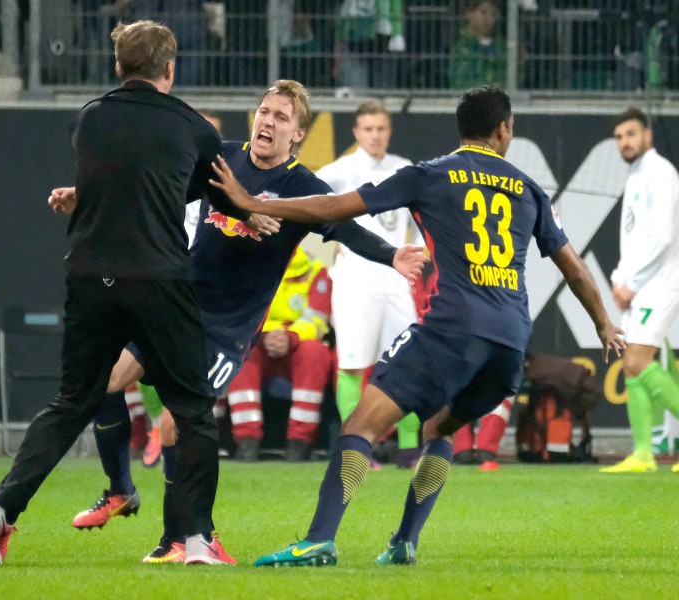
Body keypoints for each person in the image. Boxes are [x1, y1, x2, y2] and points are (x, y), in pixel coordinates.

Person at [210, 85, 625, 567]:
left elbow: (332, 208)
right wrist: (603, 325)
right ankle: (405, 541)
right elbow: (574, 267)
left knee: (361, 424)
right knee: (440, 426)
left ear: (461, 127)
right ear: (503, 130)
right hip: (511, 343)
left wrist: (255, 203)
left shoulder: (428, 175)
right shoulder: (528, 188)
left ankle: (319, 538)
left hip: (451, 329)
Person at [54, 79, 428, 563]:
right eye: (264, 111)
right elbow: (153, 186)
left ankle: (183, 538)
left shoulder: (303, 187)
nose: (267, 121)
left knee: (175, 422)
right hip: (178, 306)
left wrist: (391, 254)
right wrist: (84, 196)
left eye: (281, 117)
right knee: (103, 384)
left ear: (297, 134)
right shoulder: (223, 158)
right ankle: (122, 490)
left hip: (226, 329)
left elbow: (344, 228)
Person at [0, 19, 253, 567]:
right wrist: (253, 215)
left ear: (118, 66)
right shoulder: (195, 129)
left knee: (71, 402)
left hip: (90, 278)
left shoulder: (88, 119)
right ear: (170, 70)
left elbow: (120, 178)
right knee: (192, 411)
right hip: (159, 281)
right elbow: (210, 193)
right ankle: (196, 541)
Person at [316, 99, 422, 470]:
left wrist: (419, 252)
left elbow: (418, 221)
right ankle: (355, 447)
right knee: (352, 365)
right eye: (368, 129)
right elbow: (309, 206)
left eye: (381, 128)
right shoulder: (341, 171)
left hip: (395, 282)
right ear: (356, 132)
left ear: (389, 131)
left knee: (408, 364)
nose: (375, 135)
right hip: (355, 281)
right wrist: (329, 252)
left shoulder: (404, 169)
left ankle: (409, 449)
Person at [600, 107, 679, 474]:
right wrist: (619, 278)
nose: (624, 142)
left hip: (660, 283)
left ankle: (646, 453)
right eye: (619, 137)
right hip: (637, 285)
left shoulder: (661, 173)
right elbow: (633, 237)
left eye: (630, 134)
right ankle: (644, 454)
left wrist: (633, 282)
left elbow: (663, 237)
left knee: (636, 362)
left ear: (647, 135)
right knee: (631, 370)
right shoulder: (635, 176)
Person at [227, 246, 335, 462]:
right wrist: (264, 335)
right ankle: (247, 440)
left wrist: (290, 338)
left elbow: (318, 320)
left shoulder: (315, 270)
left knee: (315, 351)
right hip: (258, 343)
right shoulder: (246, 268)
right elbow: (240, 314)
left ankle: (300, 442)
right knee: (240, 348)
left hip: (296, 347)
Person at [333, 0, 406, 93]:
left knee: (382, 80)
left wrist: (397, 33)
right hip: (357, 39)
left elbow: (396, 9)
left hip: (381, 38)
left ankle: (381, 99)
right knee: (358, 82)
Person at [448, 0, 506, 89]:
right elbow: (459, 81)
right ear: (469, 14)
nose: (488, 18)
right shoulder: (463, 47)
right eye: (483, 12)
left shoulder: (502, 46)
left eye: (493, 14)